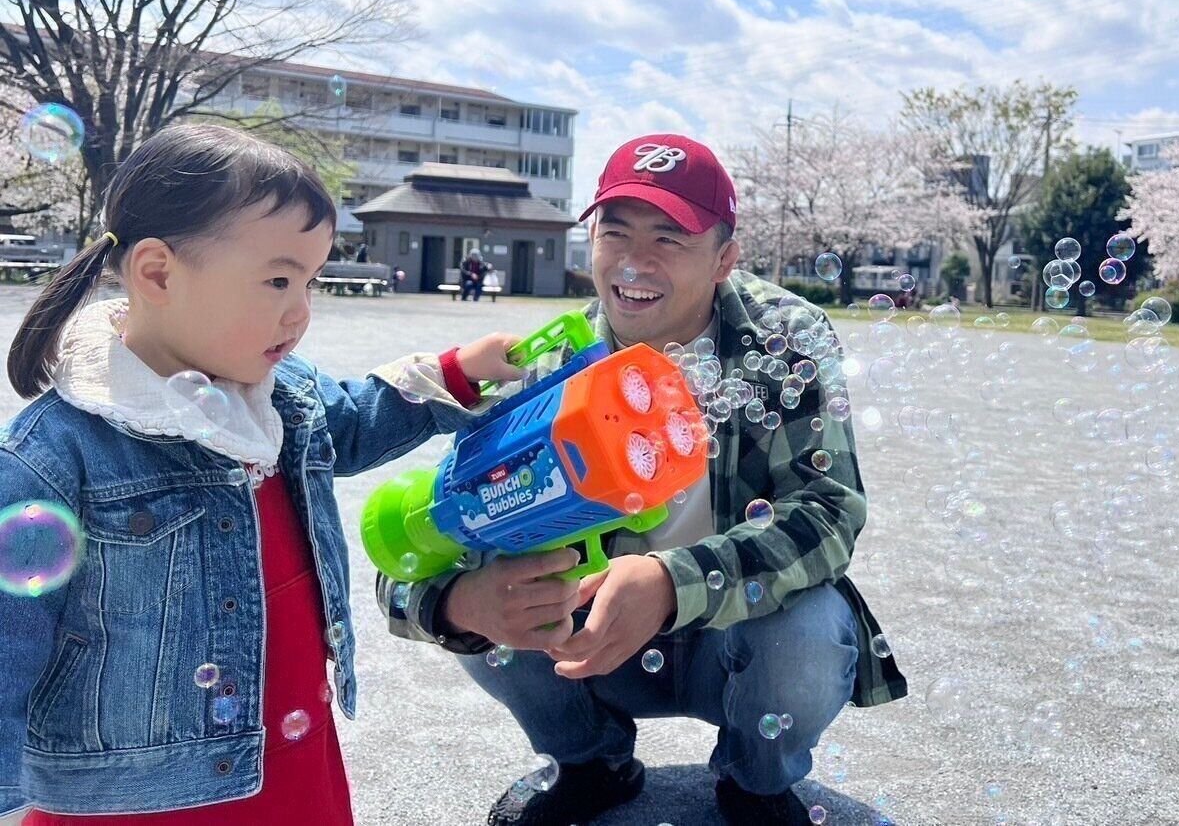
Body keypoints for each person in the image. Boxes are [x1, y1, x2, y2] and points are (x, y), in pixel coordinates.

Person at [0, 125, 526, 823]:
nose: (301, 310)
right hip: (140, 795)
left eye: (309, 281)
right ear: (157, 273)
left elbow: (354, 420)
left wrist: (457, 374)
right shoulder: (58, 455)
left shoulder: (278, 393)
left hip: (288, 756)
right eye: (278, 279)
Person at [379, 134, 905, 826]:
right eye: (614, 231)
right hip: (593, 643)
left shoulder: (784, 339)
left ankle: (756, 781)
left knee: (810, 631)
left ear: (724, 259)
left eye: (669, 238)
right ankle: (591, 763)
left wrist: (670, 582)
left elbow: (828, 512)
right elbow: (414, 553)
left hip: (740, 637)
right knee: (491, 591)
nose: (633, 260)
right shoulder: (554, 362)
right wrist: (457, 608)